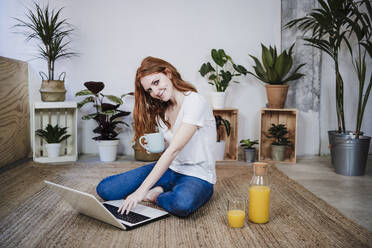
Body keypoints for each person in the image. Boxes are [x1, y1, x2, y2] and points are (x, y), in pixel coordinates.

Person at [96, 56, 216, 217]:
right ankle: (164, 187)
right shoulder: (162, 112)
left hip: (197, 175)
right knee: (105, 189)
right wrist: (157, 146)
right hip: (171, 169)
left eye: (156, 82)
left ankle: (157, 195)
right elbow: (169, 150)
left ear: (168, 73)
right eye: (149, 90)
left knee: (182, 204)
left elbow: (174, 150)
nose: (155, 92)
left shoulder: (195, 101)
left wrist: (140, 193)